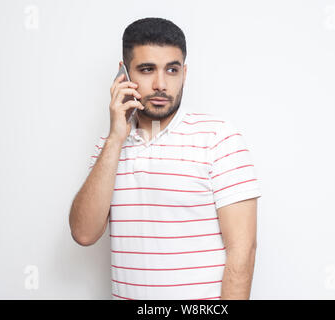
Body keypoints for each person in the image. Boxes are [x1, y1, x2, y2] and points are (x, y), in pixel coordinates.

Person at [69, 17, 262, 300]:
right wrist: (115, 139)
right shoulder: (109, 146)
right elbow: (83, 234)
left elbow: (242, 252)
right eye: (147, 70)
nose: (161, 84)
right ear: (123, 75)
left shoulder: (219, 138)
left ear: (184, 72)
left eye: (171, 70)